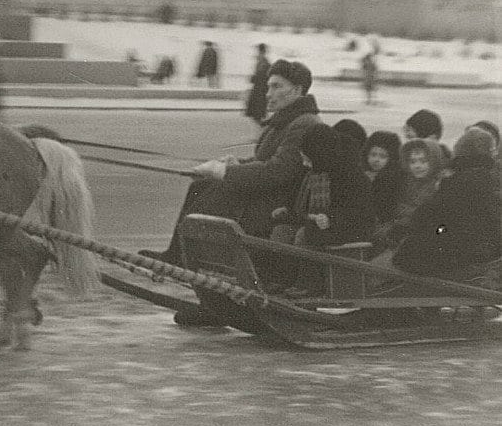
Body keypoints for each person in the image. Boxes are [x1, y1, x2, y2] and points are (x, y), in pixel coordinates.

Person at [141, 59, 321, 266]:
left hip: (277, 203)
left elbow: (277, 171)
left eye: (276, 86)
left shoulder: (304, 123)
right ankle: (177, 254)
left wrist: (226, 172)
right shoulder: (285, 119)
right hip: (267, 194)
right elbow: (263, 161)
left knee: (216, 190)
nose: (268, 93)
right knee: (201, 185)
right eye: (268, 86)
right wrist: (235, 164)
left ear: (297, 90)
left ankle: (190, 257)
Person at [270, 123, 375, 295]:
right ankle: (283, 279)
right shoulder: (313, 173)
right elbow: (302, 206)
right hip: (318, 223)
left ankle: (308, 284)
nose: (305, 164)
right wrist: (287, 210)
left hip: (346, 228)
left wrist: (331, 218)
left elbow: (360, 212)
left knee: (305, 235)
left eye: (308, 159)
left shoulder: (351, 176)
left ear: (319, 155)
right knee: (281, 231)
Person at [390, 128, 502, 281]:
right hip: (486, 247)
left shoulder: (457, 181)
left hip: (459, 250)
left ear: (461, 152)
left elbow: (428, 215)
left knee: (408, 252)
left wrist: (406, 229)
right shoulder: (489, 179)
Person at [372, 138, 446, 252]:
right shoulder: (405, 182)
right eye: (413, 161)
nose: (417, 166)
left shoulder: (441, 184)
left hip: (425, 242)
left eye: (423, 161)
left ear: (434, 160)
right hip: (398, 237)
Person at [363, 131, 405, 229]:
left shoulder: (393, 179)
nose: (376, 160)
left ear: (392, 158)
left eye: (383, 156)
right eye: (373, 154)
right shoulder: (363, 174)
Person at [244, 43, 270, 125]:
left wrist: (252, 78)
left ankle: (263, 131)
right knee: (257, 114)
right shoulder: (262, 61)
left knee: (258, 113)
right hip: (259, 89)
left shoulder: (264, 62)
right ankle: (262, 130)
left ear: (261, 51)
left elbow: (261, 75)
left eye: (258, 51)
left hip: (260, 90)